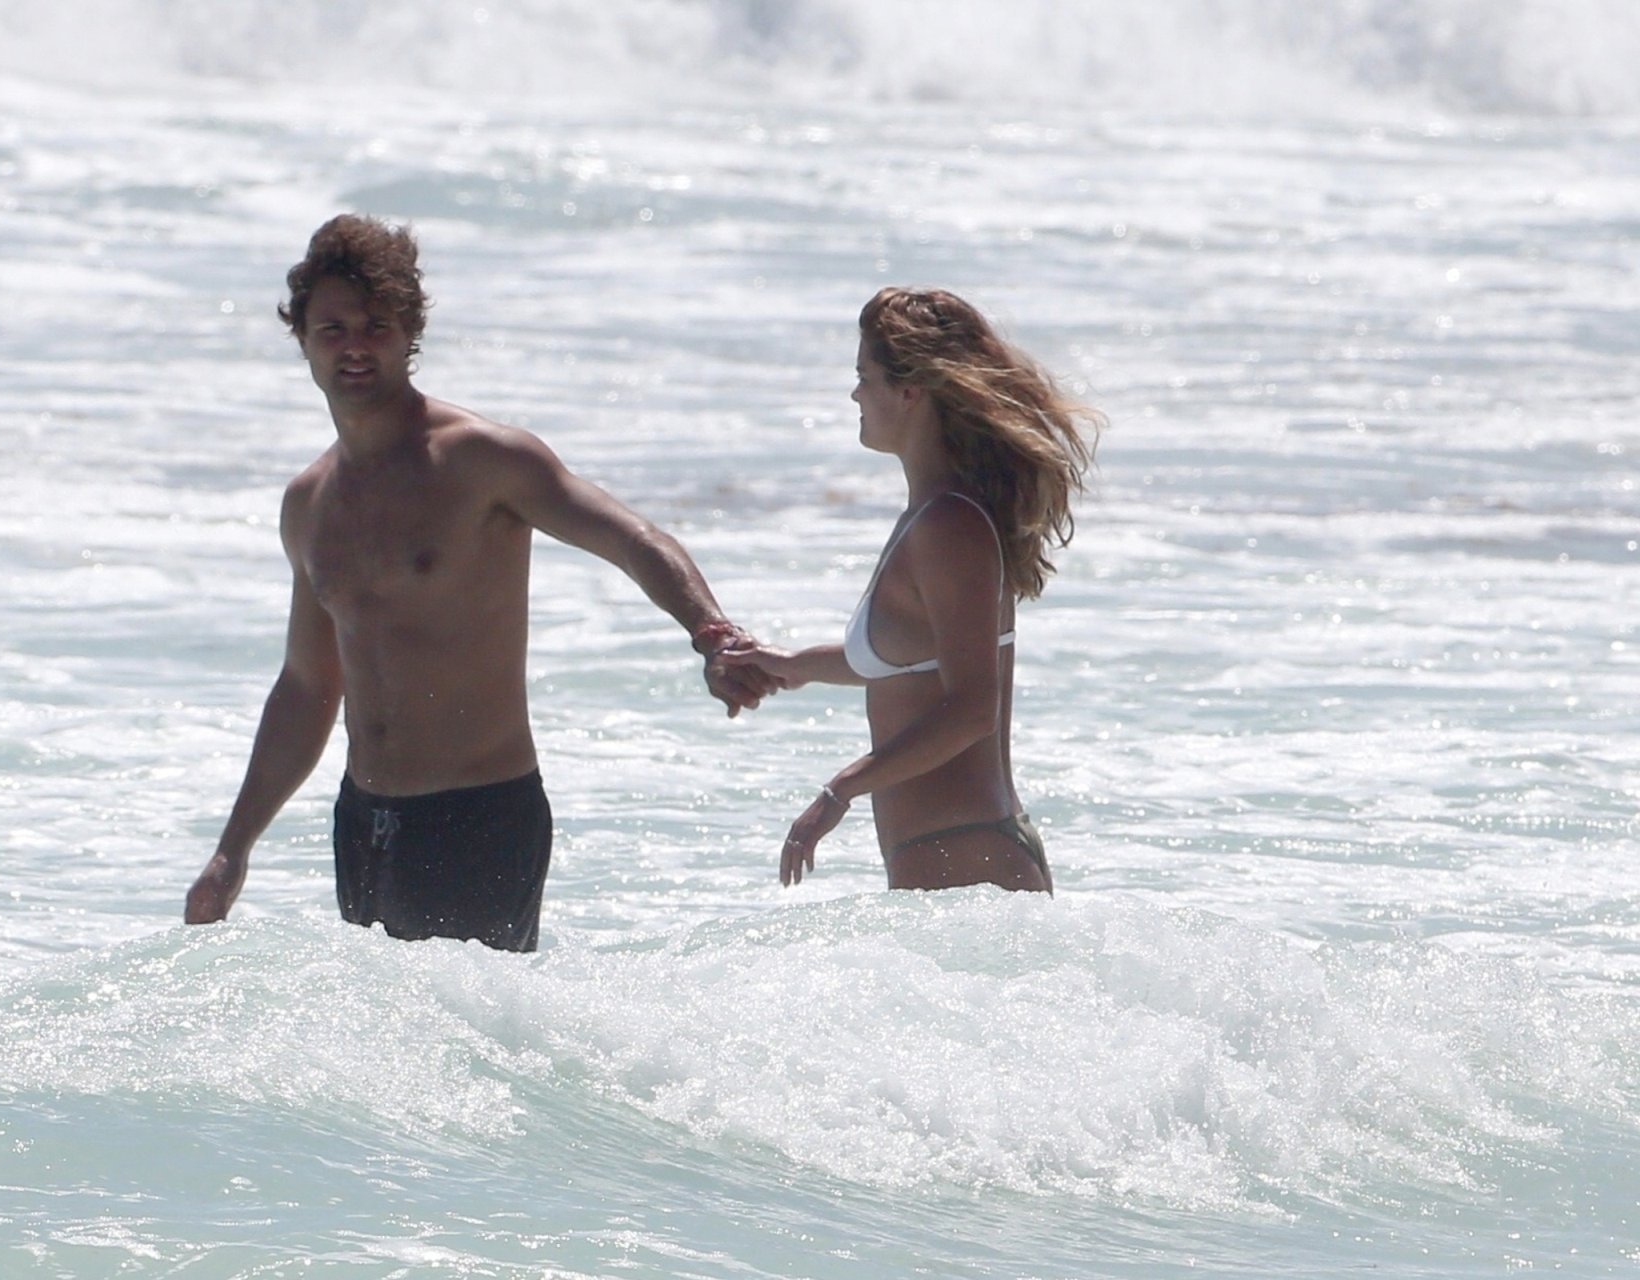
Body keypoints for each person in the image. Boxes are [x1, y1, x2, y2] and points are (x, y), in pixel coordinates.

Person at [184, 214, 776, 950]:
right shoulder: (310, 504)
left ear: (410, 333)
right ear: (302, 337)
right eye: (333, 329)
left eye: (376, 326)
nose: (355, 346)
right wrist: (233, 850)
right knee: (386, 1027)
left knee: (475, 1025)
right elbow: (307, 686)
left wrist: (711, 634)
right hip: (364, 822)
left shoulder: (484, 461)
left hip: (480, 818)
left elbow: (633, 539)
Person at [725, 287, 1101, 893]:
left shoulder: (949, 526)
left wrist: (841, 790)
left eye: (863, 377)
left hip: (970, 858)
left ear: (910, 391)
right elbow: (909, 660)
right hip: (958, 857)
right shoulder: (932, 515)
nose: (855, 394)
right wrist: (792, 664)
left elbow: (973, 708)